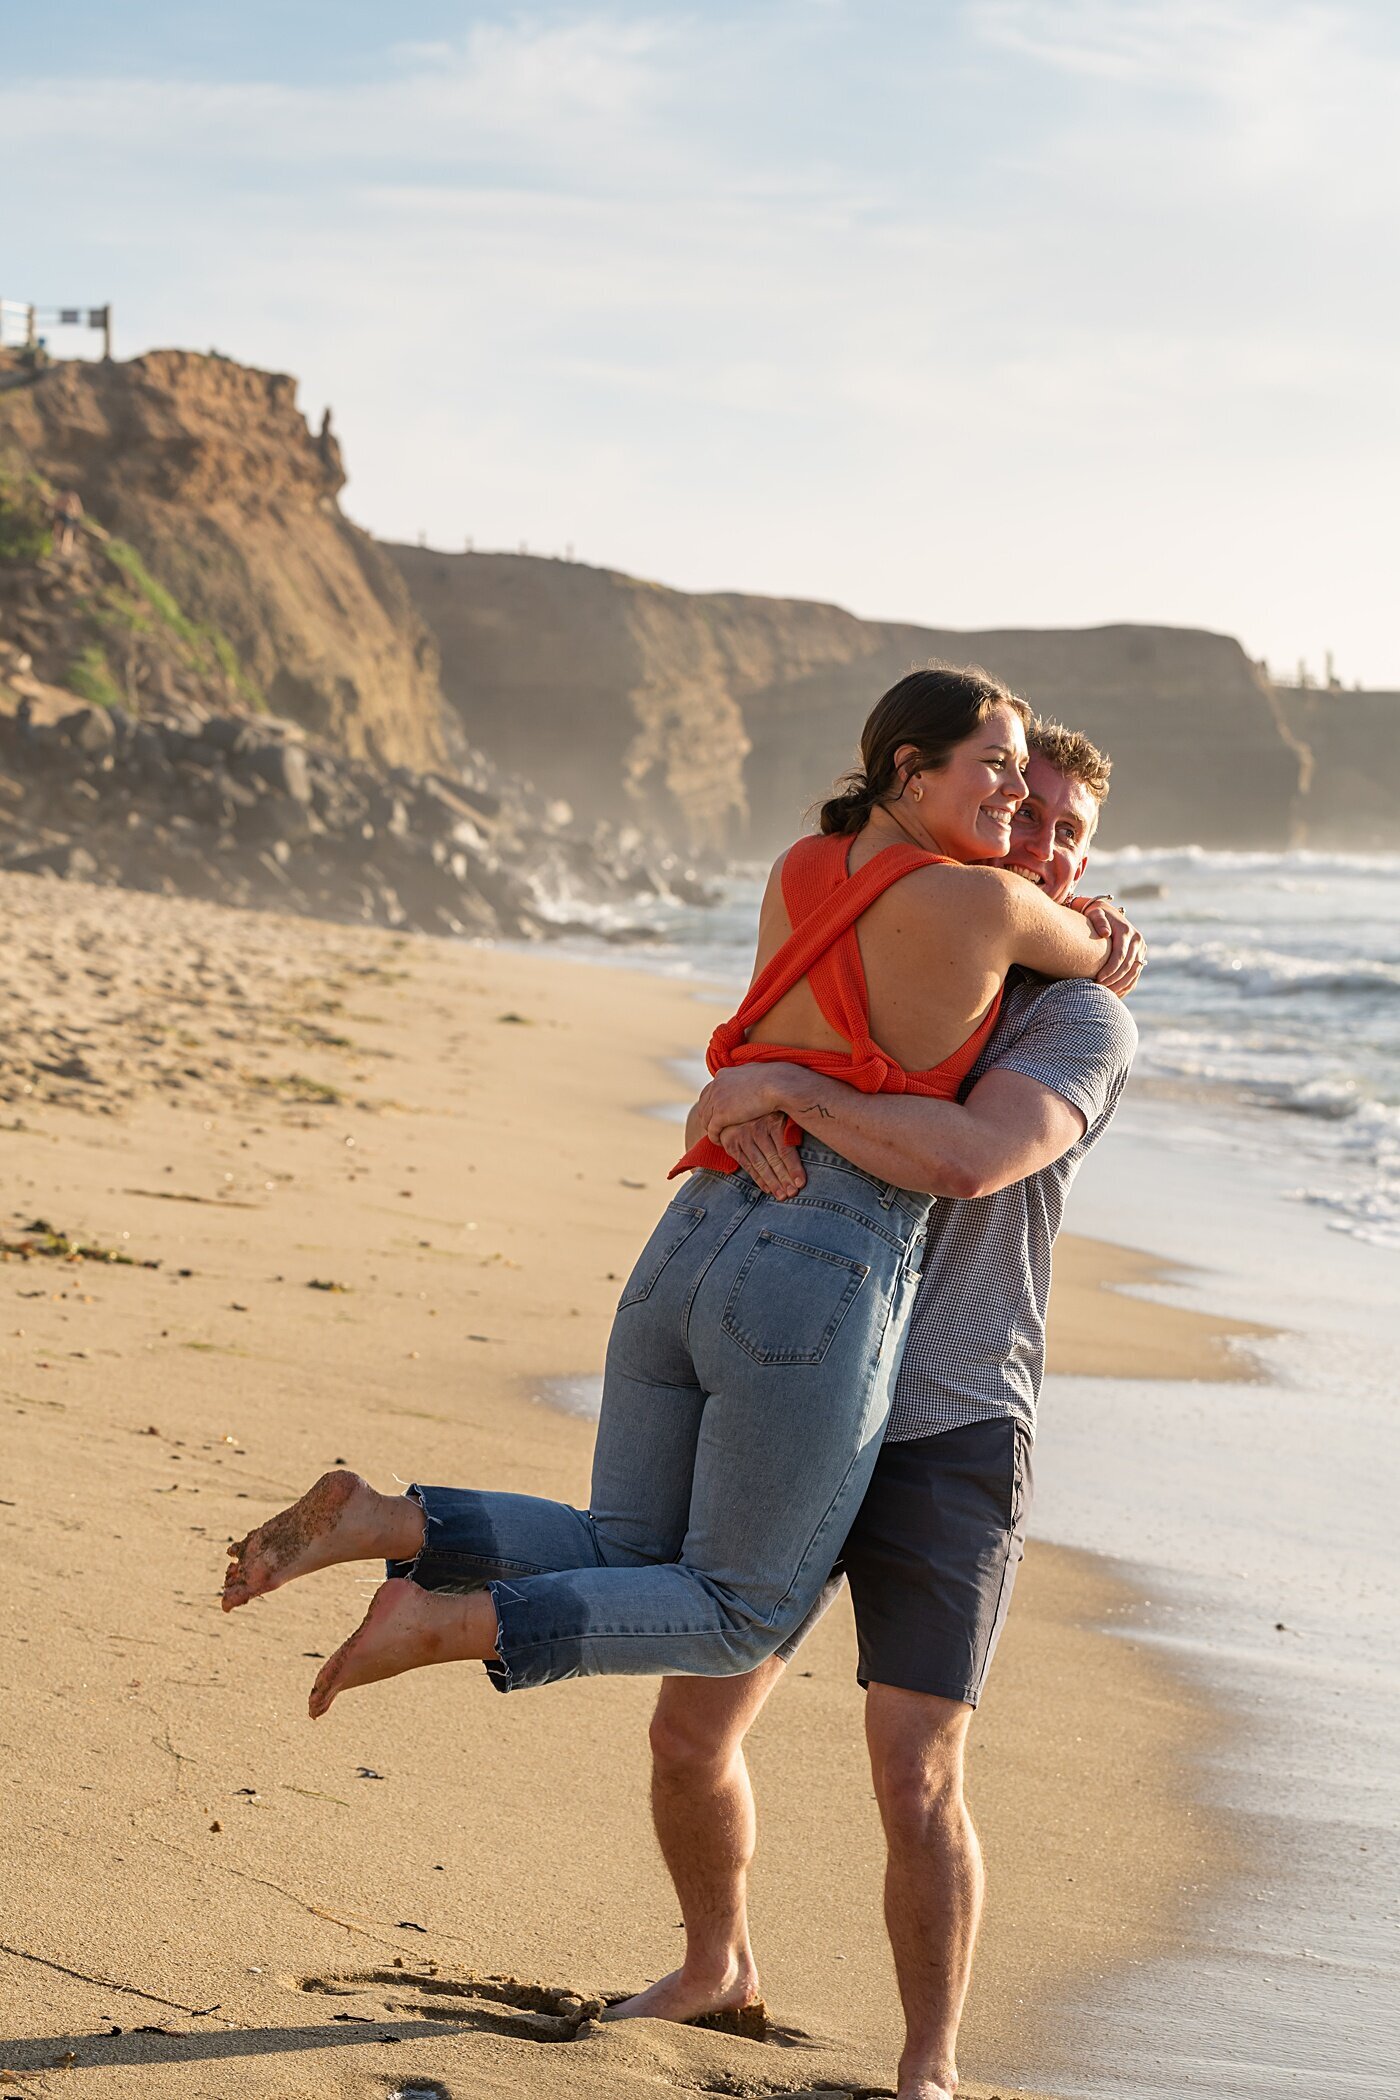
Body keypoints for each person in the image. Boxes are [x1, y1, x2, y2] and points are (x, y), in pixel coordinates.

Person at [222, 668, 1120, 1727]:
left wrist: (778, 1083)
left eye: (1033, 786)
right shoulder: (991, 902)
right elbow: (1102, 952)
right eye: (999, 769)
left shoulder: (799, 867)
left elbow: (785, 1025)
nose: (1018, 800)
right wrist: (1099, 921)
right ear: (909, 770)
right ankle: (449, 1623)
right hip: (822, 1260)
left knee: (626, 1544)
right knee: (739, 1611)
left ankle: (387, 1521)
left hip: (698, 1220)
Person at [606, 721, 1139, 2100]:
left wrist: (782, 1089)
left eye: (1072, 833)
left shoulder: (1077, 1013)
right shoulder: (887, 954)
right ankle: (717, 1961)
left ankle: (928, 2070)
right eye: (1029, 817)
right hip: (796, 1391)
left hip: (951, 1421)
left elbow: (970, 1159)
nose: (1046, 846)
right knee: (689, 1732)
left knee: (913, 1771)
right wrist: (747, 1097)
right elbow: (749, 1099)